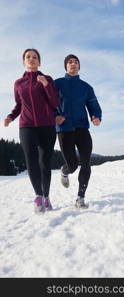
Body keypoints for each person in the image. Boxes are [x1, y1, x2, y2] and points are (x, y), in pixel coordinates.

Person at [4, 48, 59, 214]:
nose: (32, 59)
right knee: (31, 160)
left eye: (35, 57)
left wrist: (46, 85)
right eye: (28, 57)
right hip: (26, 126)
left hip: (47, 126)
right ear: (24, 61)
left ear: (39, 62)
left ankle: (47, 196)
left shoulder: (47, 79)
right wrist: (10, 117)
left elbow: (55, 102)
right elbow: (19, 105)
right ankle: (38, 195)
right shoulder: (18, 83)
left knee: (45, 163)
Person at [55, 54, 102, 209]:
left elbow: (93, 104)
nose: (73, 64)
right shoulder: (57, 84)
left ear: (79, 66)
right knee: (73, 165)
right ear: (65, 66)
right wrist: (56, 116)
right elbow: (50, 103)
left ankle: (80, 198)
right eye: (70, 62)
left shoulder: (86, 87)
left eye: (76, 62)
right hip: (64, 129)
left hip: (82, 128)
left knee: (86, 163)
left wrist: (95, 116)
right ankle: (64, 170)